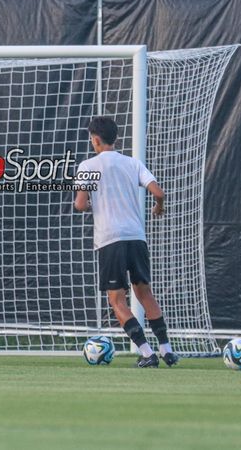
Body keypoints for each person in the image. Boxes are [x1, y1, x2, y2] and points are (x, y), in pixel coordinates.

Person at [74, 116, 178, 368]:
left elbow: (79, 204)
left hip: (110, 239)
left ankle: (146, 353)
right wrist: (158, 207)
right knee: (144, 293)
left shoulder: (87, 165)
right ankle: (167, 350)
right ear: (115, 138)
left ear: (95, 139)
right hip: (136, 237)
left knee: (116, 299)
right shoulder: (133, 163)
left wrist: (92, 204)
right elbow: (159, 193)